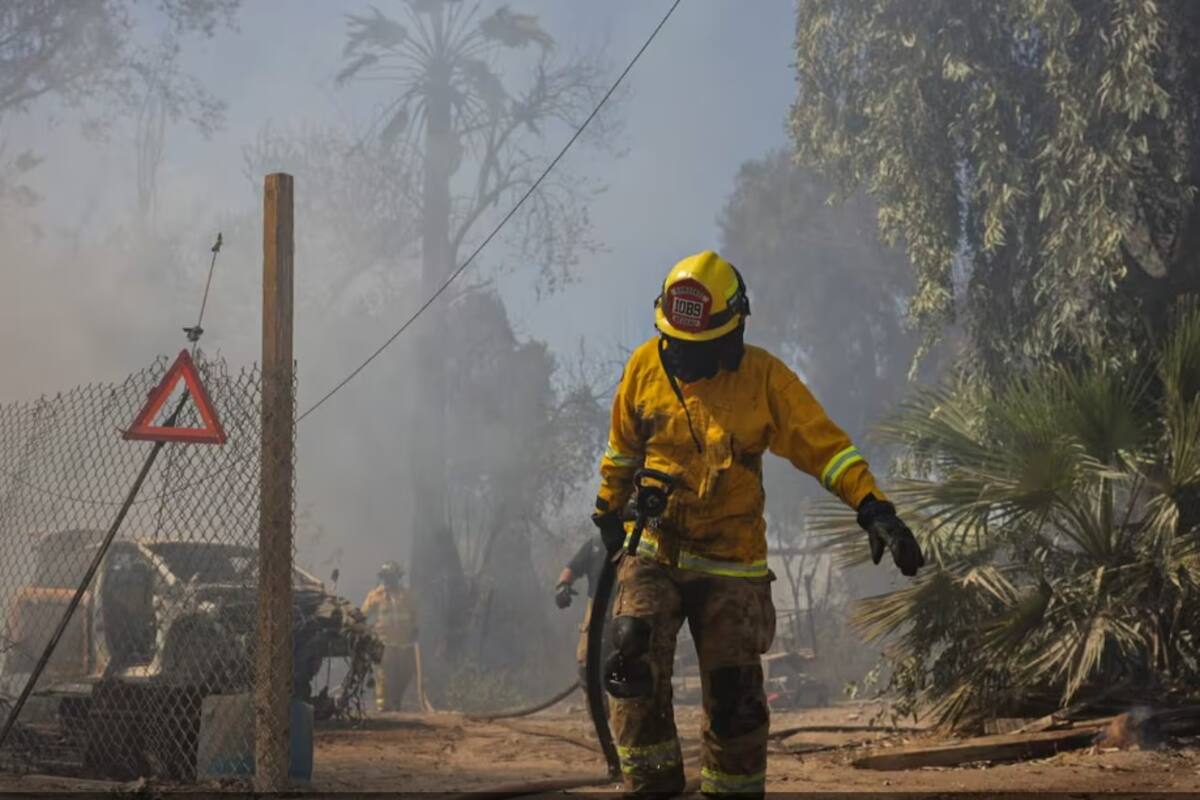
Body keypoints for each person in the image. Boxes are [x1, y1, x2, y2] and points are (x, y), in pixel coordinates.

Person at [590, 251, 924, 796]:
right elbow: (622, 451)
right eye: (675, 345)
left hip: (732, 562)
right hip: (654, 549)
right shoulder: (644, 367)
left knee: (736, 699)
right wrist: (608, 511)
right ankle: (649, 785)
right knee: (631, 656)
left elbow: (825, 447)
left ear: (734, 329)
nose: (683, 359)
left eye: (697, 350)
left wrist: (873, 506)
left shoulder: (764, 378)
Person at [362, 561, 418, 713]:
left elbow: (415, 615)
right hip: (384, 643)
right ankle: (383, 707)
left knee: (405, 673)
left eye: (391, 577)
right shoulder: (375, 596)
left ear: (398, 577)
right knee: (384, 674)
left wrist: (415, 628)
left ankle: (396, 701)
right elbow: (363, 615)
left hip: (405, 643)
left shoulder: (408, 596)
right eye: (386, 577)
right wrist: (365, 631)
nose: (389, 580)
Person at [553, 536, 608, 680]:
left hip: (627, 608)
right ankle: (593, 700)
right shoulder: (596, 544)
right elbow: (573, 568)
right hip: (595, 608)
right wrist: (563, 586)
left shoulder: (637, 540)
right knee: (587, 664)